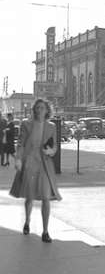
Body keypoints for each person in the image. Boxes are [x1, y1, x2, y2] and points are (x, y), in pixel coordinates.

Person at [9, 99, 62, 242]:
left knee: (46, 198)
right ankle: (27, 221)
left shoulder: (51, 126)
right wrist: (19, 159)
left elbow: (55, 145)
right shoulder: (26, 124)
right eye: (37, 108)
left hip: (45, 165)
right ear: (34, 110)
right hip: (30, 163)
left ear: (47, 110)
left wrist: (52, 151)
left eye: (42, 108)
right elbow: (20, 143)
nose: (40, 110)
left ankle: (45, 231)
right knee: (30, 197)